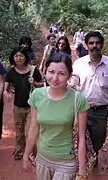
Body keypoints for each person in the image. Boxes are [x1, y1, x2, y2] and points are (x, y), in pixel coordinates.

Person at [23, 52, 89, 180]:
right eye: (51, 72)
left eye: (61, 74)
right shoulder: (37, 95)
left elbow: (81, 136)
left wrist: (82, 169)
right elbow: (34, 127)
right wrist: (26, 154)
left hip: (66, 161)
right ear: (45, 72)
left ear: (69, 75)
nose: (55, 78)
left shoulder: (78, 99)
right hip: (42, 158)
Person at [70, 31, 108, 168]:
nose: (94, 46)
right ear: (86, 46)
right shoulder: (79, 64)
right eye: (91, 43)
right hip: (81, 109)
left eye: (97, 43)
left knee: (99, 139)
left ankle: (94, 154)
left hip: (100, 110)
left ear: (102, 45)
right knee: (80, 137)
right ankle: (83, 162)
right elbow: (73, 84)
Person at [4, 47, 43, 160]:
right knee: (19, 130)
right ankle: (20, 150)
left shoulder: (33, 70)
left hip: (32, 106)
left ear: (26, 57)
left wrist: (35, 82)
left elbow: (42, 84)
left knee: (30, 131)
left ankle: (32, 153)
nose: (19, 58)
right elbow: (6, 87)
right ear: (13, 57)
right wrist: (7, 93)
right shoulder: (11, 71)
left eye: (21, 56)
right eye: (16, 56)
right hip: (17, 106)